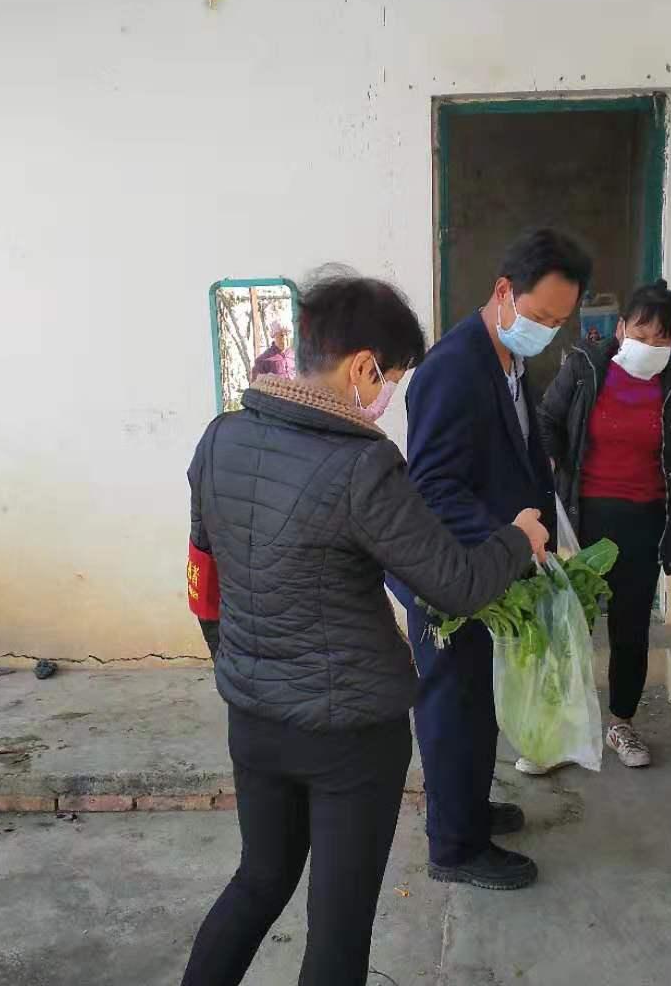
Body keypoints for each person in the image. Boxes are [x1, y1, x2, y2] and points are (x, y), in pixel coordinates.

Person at [182, 270, 548, 986]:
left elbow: (204, 586)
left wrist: (243, 668)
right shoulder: (364, 465)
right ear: (361, 367)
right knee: (338, 927)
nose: (387, 399)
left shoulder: (220, 438)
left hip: (253, 720)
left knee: (258, 880)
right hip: (349, 739)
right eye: (392, 381)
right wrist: (517, 538)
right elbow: (455, 583)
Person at [391, 228, 590, 891]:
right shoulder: (454, 367)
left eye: (559, 323)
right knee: (454, 707)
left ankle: (468, 810)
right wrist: (510, 536)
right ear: (504, 291)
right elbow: (433, 487)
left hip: (493, 566)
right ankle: (453, 847)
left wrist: (539, 530)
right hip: (450, 574)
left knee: (479, 702)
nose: (547, 333)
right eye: (541, 316)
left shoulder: (508, 359)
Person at [536, 279, 671, 770]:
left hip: (645, 524)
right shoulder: (584, 370)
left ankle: (621, 722)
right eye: (642, 334)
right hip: (580, 520)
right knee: (567, 624)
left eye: (663, 337)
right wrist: (552, 468)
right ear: (621, 329)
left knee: (630, 627)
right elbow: (545, 422)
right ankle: (556, 731)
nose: (650, 345)